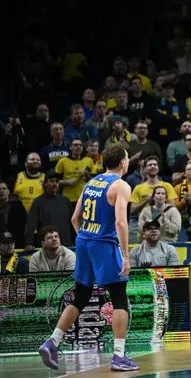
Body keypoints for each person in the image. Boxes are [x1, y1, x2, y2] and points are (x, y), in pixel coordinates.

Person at [38, 143, 139, 371]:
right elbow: (121, 223)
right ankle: (119, 356)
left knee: (81, 296)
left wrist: (87, 242)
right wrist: (125, 256)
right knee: (119, 297)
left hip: (84, 240)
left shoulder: (91, 182)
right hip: (103, 243)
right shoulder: (121, 185)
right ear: (123, 162)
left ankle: (52, 341)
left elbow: (75, 219)